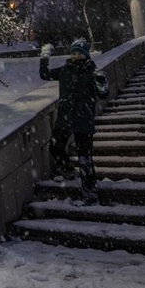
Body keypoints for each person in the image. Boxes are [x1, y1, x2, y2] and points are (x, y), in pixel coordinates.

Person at [40, 38, 109, 203]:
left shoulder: (93, 73)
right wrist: (44, 57)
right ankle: (69, 171)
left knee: (85, 158)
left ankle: (90, 192)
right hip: (65, 119)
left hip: (83, 121)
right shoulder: (65, 70)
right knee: (55, 146)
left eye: (79, 53)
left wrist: (101, 83)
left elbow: (103, 94)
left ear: (85, 55)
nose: (75, 56)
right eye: (73, 53)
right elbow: (45, 75)